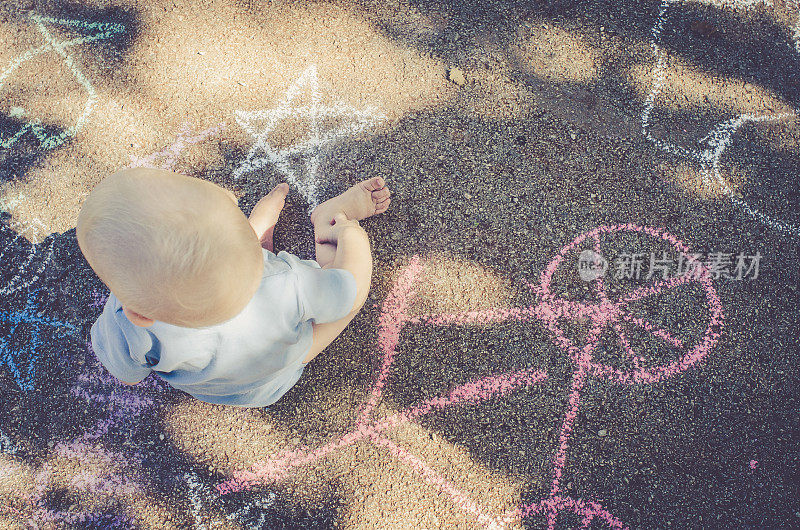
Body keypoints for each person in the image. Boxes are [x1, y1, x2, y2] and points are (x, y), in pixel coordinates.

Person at [76, 167, 390, 407]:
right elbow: (342, 294)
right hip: (269, 383)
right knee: (350, 298)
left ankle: (255, 236)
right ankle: (335, 224)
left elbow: (127, 375)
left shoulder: (128, 318)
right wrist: (353, 238)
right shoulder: (284, 283)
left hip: (212, 387)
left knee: (206, 267)